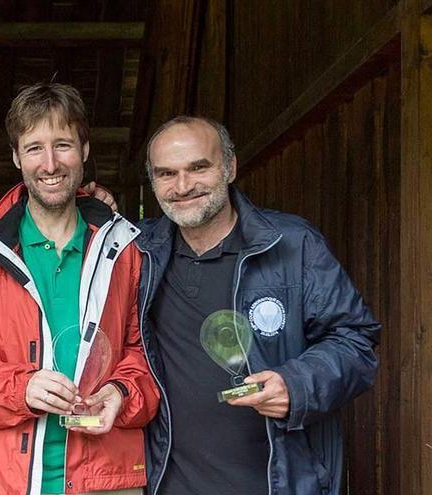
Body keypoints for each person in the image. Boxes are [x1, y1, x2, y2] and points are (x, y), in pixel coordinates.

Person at [0, 82, 159, 495]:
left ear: (85, 150)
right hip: (1, 480)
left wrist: (120, 392)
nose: (50, 163)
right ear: (17, 157)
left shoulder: (126, 248)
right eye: (34, 147)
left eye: (63, 145)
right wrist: (22, 387)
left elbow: (148, 352)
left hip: (106, 477)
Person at [137, 116, 380, 494]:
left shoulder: (293, 244)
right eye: (166, 174)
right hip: (171, 483)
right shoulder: (141, 253)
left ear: (230, 167)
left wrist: (297, 385)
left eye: (198, 168)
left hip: (275, 481)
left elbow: (355, 341)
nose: (182, 186)